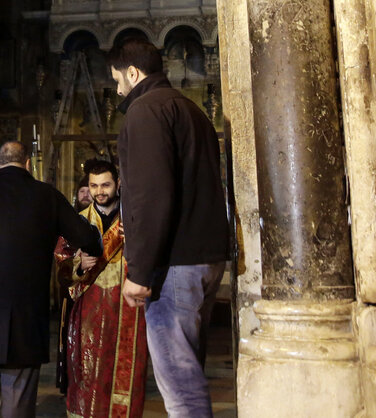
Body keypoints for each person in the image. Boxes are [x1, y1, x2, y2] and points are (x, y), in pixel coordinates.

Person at [109, 38, 230, 417]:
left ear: (133, 72)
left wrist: (141, 271)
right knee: (189, 371)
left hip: (173, 264)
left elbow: (150, 196)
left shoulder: (145, 112)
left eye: (117, 79)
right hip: (205, 257)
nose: (116, 89)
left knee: (180, 386)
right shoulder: (192, 111)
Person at [0, 141, 101, 417]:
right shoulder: (47, 195)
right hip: (26, 311)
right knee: (19, 384)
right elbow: (84, 237)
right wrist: (92, 251)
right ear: (27, 165)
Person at [67, 159, 148, 417]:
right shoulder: (78, 221)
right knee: (88, 368)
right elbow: (61, 262)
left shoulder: (134, 218)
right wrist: (78, 265)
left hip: (129, 306)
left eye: (105, 185)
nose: (99, 191)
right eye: (94, 186)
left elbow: (153, 252)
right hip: (91, 305)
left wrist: (135, 240)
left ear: (118, 184)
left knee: (128, 367)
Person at [53, 171, 92, 394]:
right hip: (74, 290)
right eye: (83, 190)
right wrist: (77, 262)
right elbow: (61, 256)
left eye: (90, 189)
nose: (87, 194)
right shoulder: (71, 219)